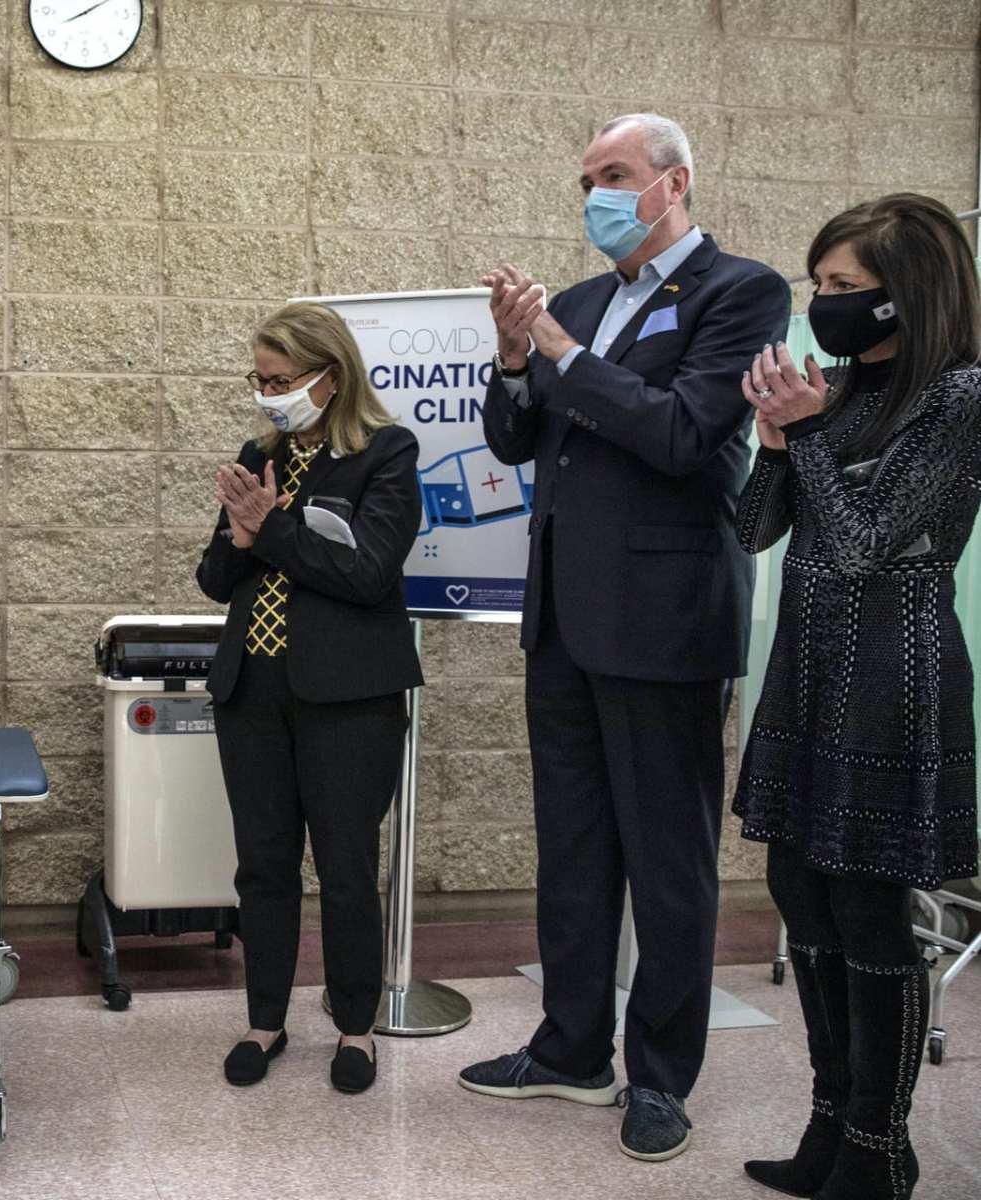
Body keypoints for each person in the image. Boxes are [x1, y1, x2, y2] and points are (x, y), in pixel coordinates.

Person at [458, 113, 791, 1161]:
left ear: (673, 182)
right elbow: (519, 439)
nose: (596, 194)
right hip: (560, 617)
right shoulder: (588, 301)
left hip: (664, 620)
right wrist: (517, 359)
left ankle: (660, 1076)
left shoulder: (741, 292)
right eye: (587, 179)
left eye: (615, 174)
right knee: (574, 853)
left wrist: (555, 345)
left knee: (669, 860)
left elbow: (689, 436)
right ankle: (568, 1049)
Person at [734, 194, 981, 1200]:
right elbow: (757, 530)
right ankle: (831, 1121)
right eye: (819, 286)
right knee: (801, 890)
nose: (824, 305)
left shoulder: (961, 395)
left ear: (906, 292)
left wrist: (812, 440)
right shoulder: (833, 389)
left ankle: (882, 1146)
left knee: (869, 905)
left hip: (898, 672)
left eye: (845, 288)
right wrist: (777, 437)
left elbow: (867, 540)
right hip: (809, 663)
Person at [197, 301, 422, 1096]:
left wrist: (275, 530)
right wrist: (238, 532)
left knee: (346, 869)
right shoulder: (257, 454)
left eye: (280, 380)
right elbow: (216, 579)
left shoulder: (386, 454)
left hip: (349, 699)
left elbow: (368, 575)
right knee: (262, 867)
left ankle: (356, 1030)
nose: (266, 395)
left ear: (331, 376)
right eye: (258, 380)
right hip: (251, 689)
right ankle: (264, 1021)